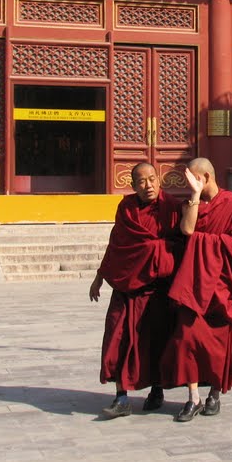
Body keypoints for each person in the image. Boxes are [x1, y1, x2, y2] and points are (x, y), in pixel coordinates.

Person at [161, 157, 232, 422]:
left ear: (206, 176)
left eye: (194, 181)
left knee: (219, 346)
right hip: (194, 286)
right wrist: (195, 196)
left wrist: (206, 243)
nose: (189, 186)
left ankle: (214, 394)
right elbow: (187, 230)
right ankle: (193, 397)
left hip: (222, 286)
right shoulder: (191, 204)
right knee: (186, 339)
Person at [88, 162, 182, 419]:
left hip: (157, 290)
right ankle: (121, 398)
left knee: (155, 341)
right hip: (126, 287)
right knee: (117, 338)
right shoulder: (126, 208)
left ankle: (157, 390)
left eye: (152, 179)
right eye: (141, 181)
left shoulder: (172, 207)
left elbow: (183, 243)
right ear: (133, 185)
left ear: (159, 180)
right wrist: (99, 276)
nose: (148, 185)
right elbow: (117, 243)